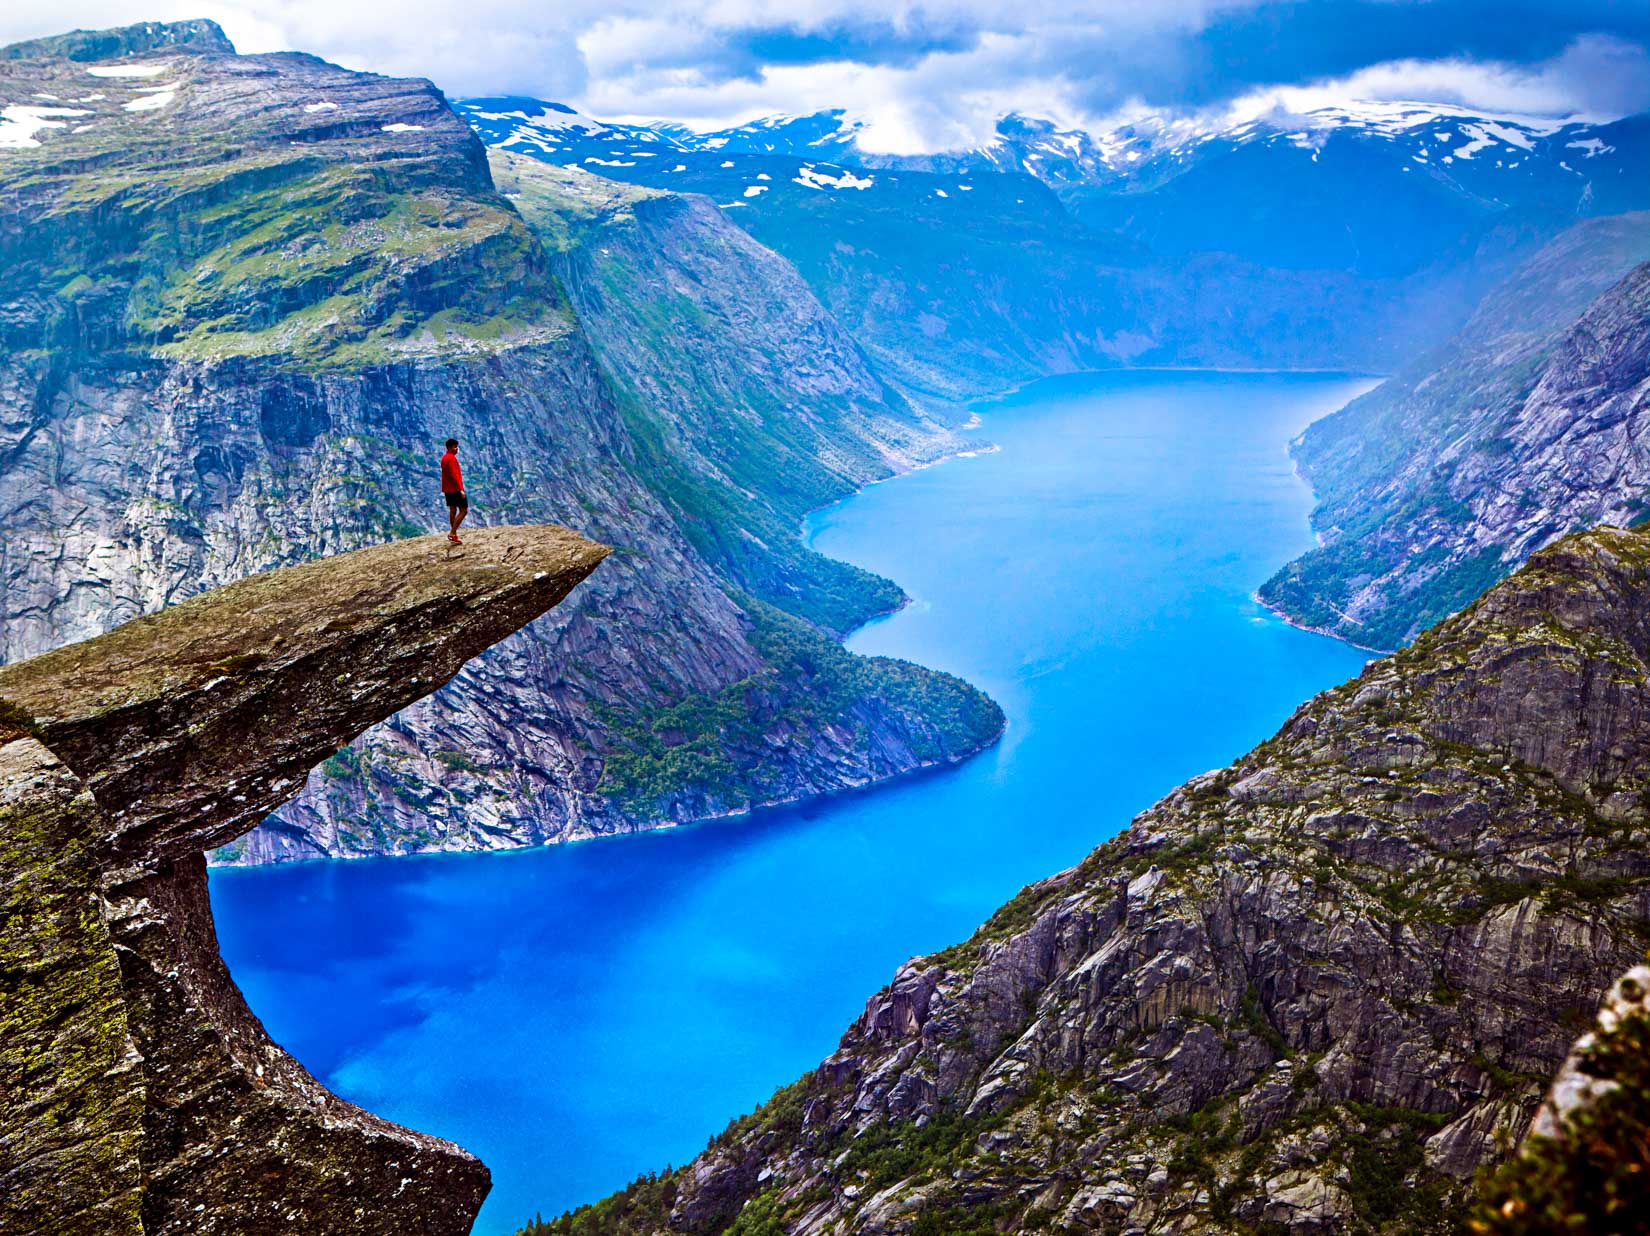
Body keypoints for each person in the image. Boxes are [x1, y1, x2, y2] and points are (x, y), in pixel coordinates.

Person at [440, 438, 467, 544]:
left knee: (453, 510)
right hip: (455, 489)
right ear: (450, 448)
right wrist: (460, 489)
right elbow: (454, 475)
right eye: (455, 447)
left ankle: (454, 534)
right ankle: (452, 532)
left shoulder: (444, 458)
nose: (457, 449)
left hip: (447, 489)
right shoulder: (452, 459)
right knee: (464, 510)